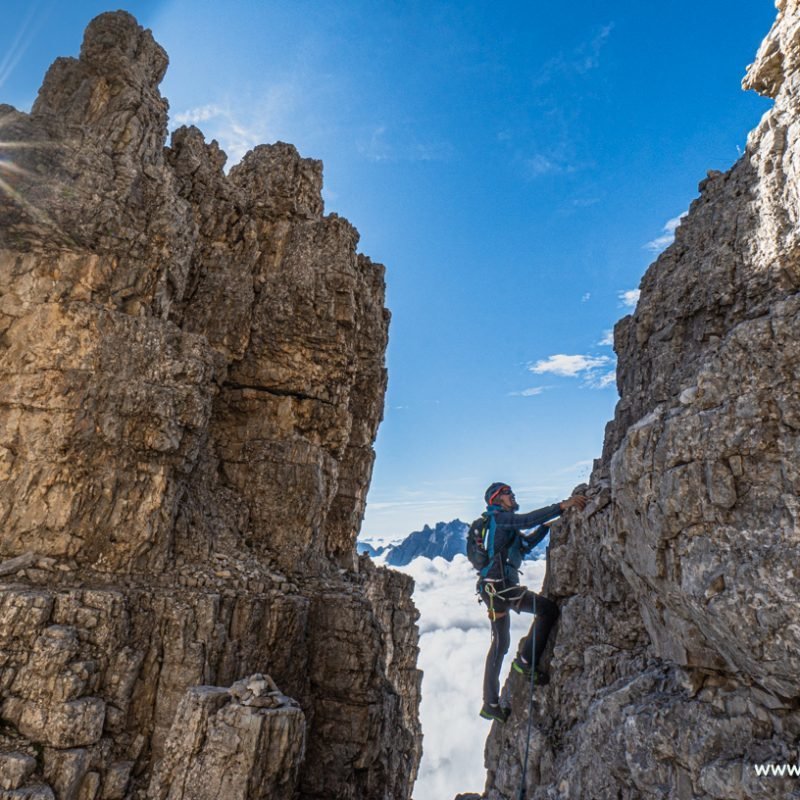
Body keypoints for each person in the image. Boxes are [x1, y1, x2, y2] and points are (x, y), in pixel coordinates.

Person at [475, 482, 587, 723]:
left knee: (500, 644)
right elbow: (526, 520)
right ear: (496, 499)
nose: (512, 495)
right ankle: (526, 662)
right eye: (507, 493)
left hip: (492, 589)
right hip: (502, 588)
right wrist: (561, 506)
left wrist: (547, 527)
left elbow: (524, 546)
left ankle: (490, 704)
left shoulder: (502, 526)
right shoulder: (500, 519)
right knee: (547, 610)